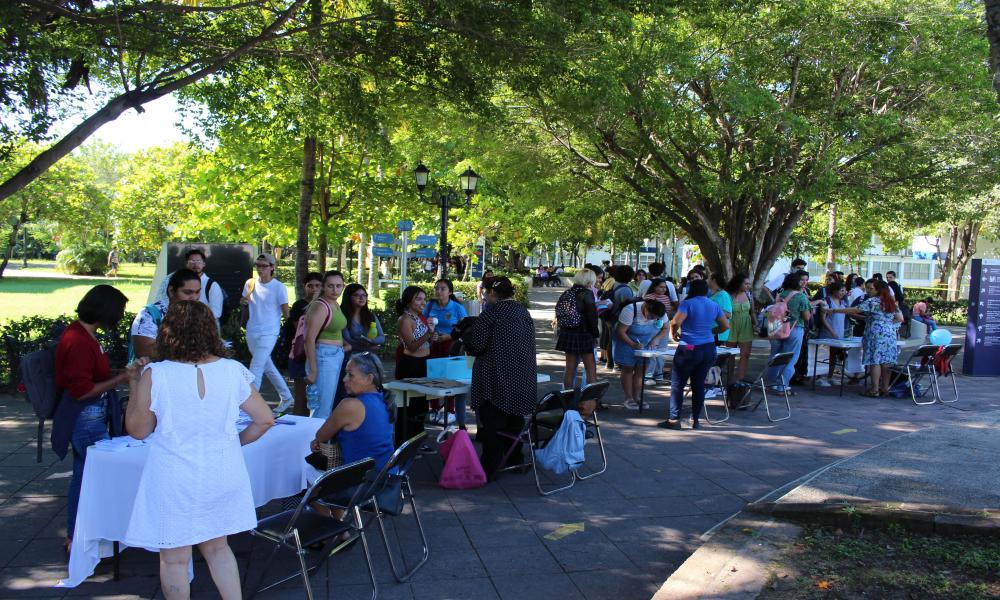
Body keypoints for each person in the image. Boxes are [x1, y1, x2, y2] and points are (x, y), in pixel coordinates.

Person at [123, 301, 274, 600]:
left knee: (175, 558)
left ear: (168, 331)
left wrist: (133, 382)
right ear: (210, 331)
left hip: (174, 474)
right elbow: (265, 419)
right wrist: (235, 442)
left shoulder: (156, 373)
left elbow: (139, 430)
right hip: (222, 471)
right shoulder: (233, 370)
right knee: (218, 548)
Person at [53, 285, 130, 554]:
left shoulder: (83, 334)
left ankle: (78, 537)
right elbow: (82, 390)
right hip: (86, 416)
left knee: (84, 475)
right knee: (93, 476)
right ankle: (82, 537)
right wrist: (121, 379)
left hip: (90, 413)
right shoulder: (79, 341)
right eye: (119, 312)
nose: (120, 317)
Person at [465, 277, 537, 476]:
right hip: (522, 378)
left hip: (495, 379)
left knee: (492, 427)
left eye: (486, 292)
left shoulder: (491, 315)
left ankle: (490, 467)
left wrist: (465, 337)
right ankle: (514, 459)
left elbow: (476, 346)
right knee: (514, 423)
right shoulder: (523, 312)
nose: (485, 296)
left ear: (493, 293)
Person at [660, 279, 729, 430]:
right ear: (706, 290)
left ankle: (674, 419)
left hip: (689, 347)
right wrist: (711, 332)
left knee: (678, 384)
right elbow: (725, 325)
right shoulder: (714, 305)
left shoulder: (688, 303)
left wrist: (675, 333)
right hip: (708, 348)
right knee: (699, 385)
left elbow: (675, 321)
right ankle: (696, 420)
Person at [310, 353, 395, 471]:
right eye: (345, 374)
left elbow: (321, 436)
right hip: (388, 477)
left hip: (360, 482)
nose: (344, 379)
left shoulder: (350, 406)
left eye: (350, 375)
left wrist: (317, 441)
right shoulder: (386, 399)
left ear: (369, 379)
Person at [827, 279, 902, 396]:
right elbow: (900, 318)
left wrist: (834, 310)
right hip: (890, 334)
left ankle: (874, 390)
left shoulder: (872, 301)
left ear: (878, 289)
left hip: (874, 334)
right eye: (867, 288)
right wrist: (885, 323)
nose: (868, 291)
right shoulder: (890, 301)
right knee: (886, 362)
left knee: (875, 361)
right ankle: (885, 388)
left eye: (871, 288)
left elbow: (856, 309)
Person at [240, 254, 295, 411]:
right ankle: (286, 397)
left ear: (272, 267)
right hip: (252, 330)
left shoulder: (279, 287)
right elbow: (244, 301)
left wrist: (292, 332)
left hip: (270, 332)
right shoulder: (250, 283)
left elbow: (286, 311)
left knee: (256, 366)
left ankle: (250, 403)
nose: (260, 268)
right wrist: (243, 301)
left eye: (264, 265)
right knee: (267, 366)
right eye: (258, 265)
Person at [303, 270, 349, 419]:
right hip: (323, 356)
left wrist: (343, 346)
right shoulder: (321, 306)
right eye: (330, 286)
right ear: (323, 286)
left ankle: (319, 441)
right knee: (321, 409)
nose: (335, 290)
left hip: (333, 355)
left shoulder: (334, 303)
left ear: (343, 286)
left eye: (338, 286)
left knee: (325, 407)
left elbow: (336, 330)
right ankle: (313, 441)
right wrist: (314, 371)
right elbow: (309, 339)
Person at [130, 269, 202, 361]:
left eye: (197, 292)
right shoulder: (149, 314)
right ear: (171, 291)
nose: (194, 297)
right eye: (188, 292)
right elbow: (143, 352)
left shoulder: (198, 312)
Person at [395, 285, 436, 446]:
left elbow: (426, 343)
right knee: (408, 407)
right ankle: (403, 443)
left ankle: (418, 440)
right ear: (409, 301)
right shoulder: (404, 319)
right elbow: (411, 346)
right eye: (419, 299)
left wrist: (432, 337)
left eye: (424, 299)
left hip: (423, 363)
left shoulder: (418, 317)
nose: (423, 302)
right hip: (410, 365)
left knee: (420, 406)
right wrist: (429, 334)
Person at [555, 268, 600, 414]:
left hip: (568, 333)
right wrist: (595, 335)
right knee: (590, 369)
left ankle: (568, 401)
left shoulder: (567, 293)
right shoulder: (587, 294)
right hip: (584, 334)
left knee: (570, 369)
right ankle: (590, 402)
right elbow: (592, 317)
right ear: (589, 280)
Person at [282, 271, 323, 416]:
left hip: (318, 355)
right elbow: (301, 331)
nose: (314, 289)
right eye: (310, 286)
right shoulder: (300, 305)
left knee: (316, 399)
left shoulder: (325, 305)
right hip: (300, 355)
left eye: (317, 285)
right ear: (304, 287)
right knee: (301, 399)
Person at [616, 298, 668, 410]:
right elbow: (621, 331)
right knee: (628, 369)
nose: (651, 319)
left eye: (655, 318)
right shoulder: (630, 310)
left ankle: (637, 397)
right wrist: (632, 344)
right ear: (645, 307)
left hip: (645, 342)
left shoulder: (660, 312)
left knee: (641, 369)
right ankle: (628, 398)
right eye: (650, 316)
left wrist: (656, 339)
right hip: (627, 341)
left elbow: (666, 327)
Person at [766, 270, 812, 393]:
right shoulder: (801, 296)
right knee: (790, 359)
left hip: (776, 328)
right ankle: (782, 386)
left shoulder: (780, 295)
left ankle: (771, 384)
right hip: (794, 329)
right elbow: (806, 317)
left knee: (775, 356)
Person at [814, 281, 849, 387]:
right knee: (822, 355)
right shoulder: (826, 301)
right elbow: (823, 319)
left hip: (839, 334)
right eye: (841, 290)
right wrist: (831, 331)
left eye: (844, 290)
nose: (843, 293)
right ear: (834, 290)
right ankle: (820, 377)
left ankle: (829, 376)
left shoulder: (843, 302)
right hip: (827, 334)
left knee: (834, 356)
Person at [642, 278, 675, 385]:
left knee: (661, 352)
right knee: (651, 351)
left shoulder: (666, 297)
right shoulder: (648, 298)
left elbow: (668, 312)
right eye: (661, 286)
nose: (663, 289)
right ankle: (648, 375)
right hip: (652, 327)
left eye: (665, 287)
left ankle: (659, 373)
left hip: (663, 324)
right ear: (654, 287)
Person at [424, 278, 468, 357]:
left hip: (452, 346)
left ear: (450, 292)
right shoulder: (430, 305)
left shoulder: (458, 307)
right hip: (432, 346)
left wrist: (449, 336)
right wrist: (430, 334)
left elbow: (466, 329)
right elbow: (422, 323)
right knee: (433, 368)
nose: (438, 291)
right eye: (436, 288)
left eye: (443, 289)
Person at [182, 248, 225, 324]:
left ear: (204, 264)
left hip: (206, 328)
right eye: (192, 261)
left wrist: (196, 319)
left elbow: (216, 312)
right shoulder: (181, 282)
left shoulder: (212, 285)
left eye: (198, 261)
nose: (195, 264)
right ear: (186, 264)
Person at [724, 273, 755, 381]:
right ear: (738, 284)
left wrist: (756, 324)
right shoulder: (727, 295)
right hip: (731, 325)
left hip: (746, 325)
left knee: (745, 354)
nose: (748, 286)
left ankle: (741, 378)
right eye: (746, 283)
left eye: (749, 284)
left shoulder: (748, 294)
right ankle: (729, 378)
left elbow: (752, 311)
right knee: (730, 354)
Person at [708, 272, 733, 344]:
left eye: (709, 278)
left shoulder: (723, 295)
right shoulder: (712, 294)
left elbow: (729, 315)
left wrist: (712, 309)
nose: (707, 280)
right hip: (711, 332)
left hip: (718, 334)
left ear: (714, 280)